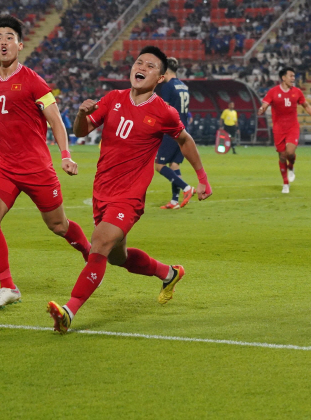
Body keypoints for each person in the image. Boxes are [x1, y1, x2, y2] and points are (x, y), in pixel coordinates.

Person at [46, 46, 212, 334]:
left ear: (160, 78)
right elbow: (82, 131)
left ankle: (69, 312)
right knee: (116, 257)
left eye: (150, 66)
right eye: (139, 63)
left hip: (129, 197)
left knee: (98, 244)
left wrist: (202, 177)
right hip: (102, 193)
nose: (142, 68)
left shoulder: (164, 112)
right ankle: (169, 273)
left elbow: (185, 140)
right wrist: (81, 114)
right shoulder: (113, 99)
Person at [0, 14, 91, 311]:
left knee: (58, 225)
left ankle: (90, 254)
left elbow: (55, 121)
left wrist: (65, 155)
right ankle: (7, 286)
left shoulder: (33, 81)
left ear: (20, 44)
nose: (3, 42)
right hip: (1, 165)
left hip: (36, 167)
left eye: (9, 37)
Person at [259, 67, 311, 193]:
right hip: (278, 128)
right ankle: (285, 183)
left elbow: (306, 106)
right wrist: (262, 109)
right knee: (282, 156)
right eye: (291, 76)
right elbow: (265, 104)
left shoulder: (297, 92)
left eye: (294, 76)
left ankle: (291, 167)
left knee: (290, 152)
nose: (293, 78)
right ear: (283, 78)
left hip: (292, 127)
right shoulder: (273, 92)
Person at [154, 57, 196, 210]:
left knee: (159, 165)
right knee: (174, 165)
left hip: (172, 131)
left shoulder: (167, 86)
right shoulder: (183, 86)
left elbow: (164, 111)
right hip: (184, 130)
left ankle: (186, 188)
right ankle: (174, 201)